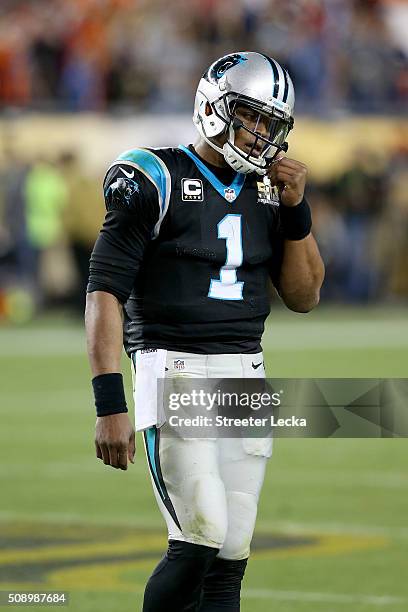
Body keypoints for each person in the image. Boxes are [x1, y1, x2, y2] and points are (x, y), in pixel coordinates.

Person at [85, 52, 324, 611]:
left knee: (231, 556)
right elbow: (104, 292)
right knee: (200, 537)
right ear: (214, 107)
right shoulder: (155, 176)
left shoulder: (269, 190)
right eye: (251, 116)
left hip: (246, 374)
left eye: (272, 123)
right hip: (175, 368)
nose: (262, 133)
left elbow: (306, 296)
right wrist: (108, 401)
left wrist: (296, 211)